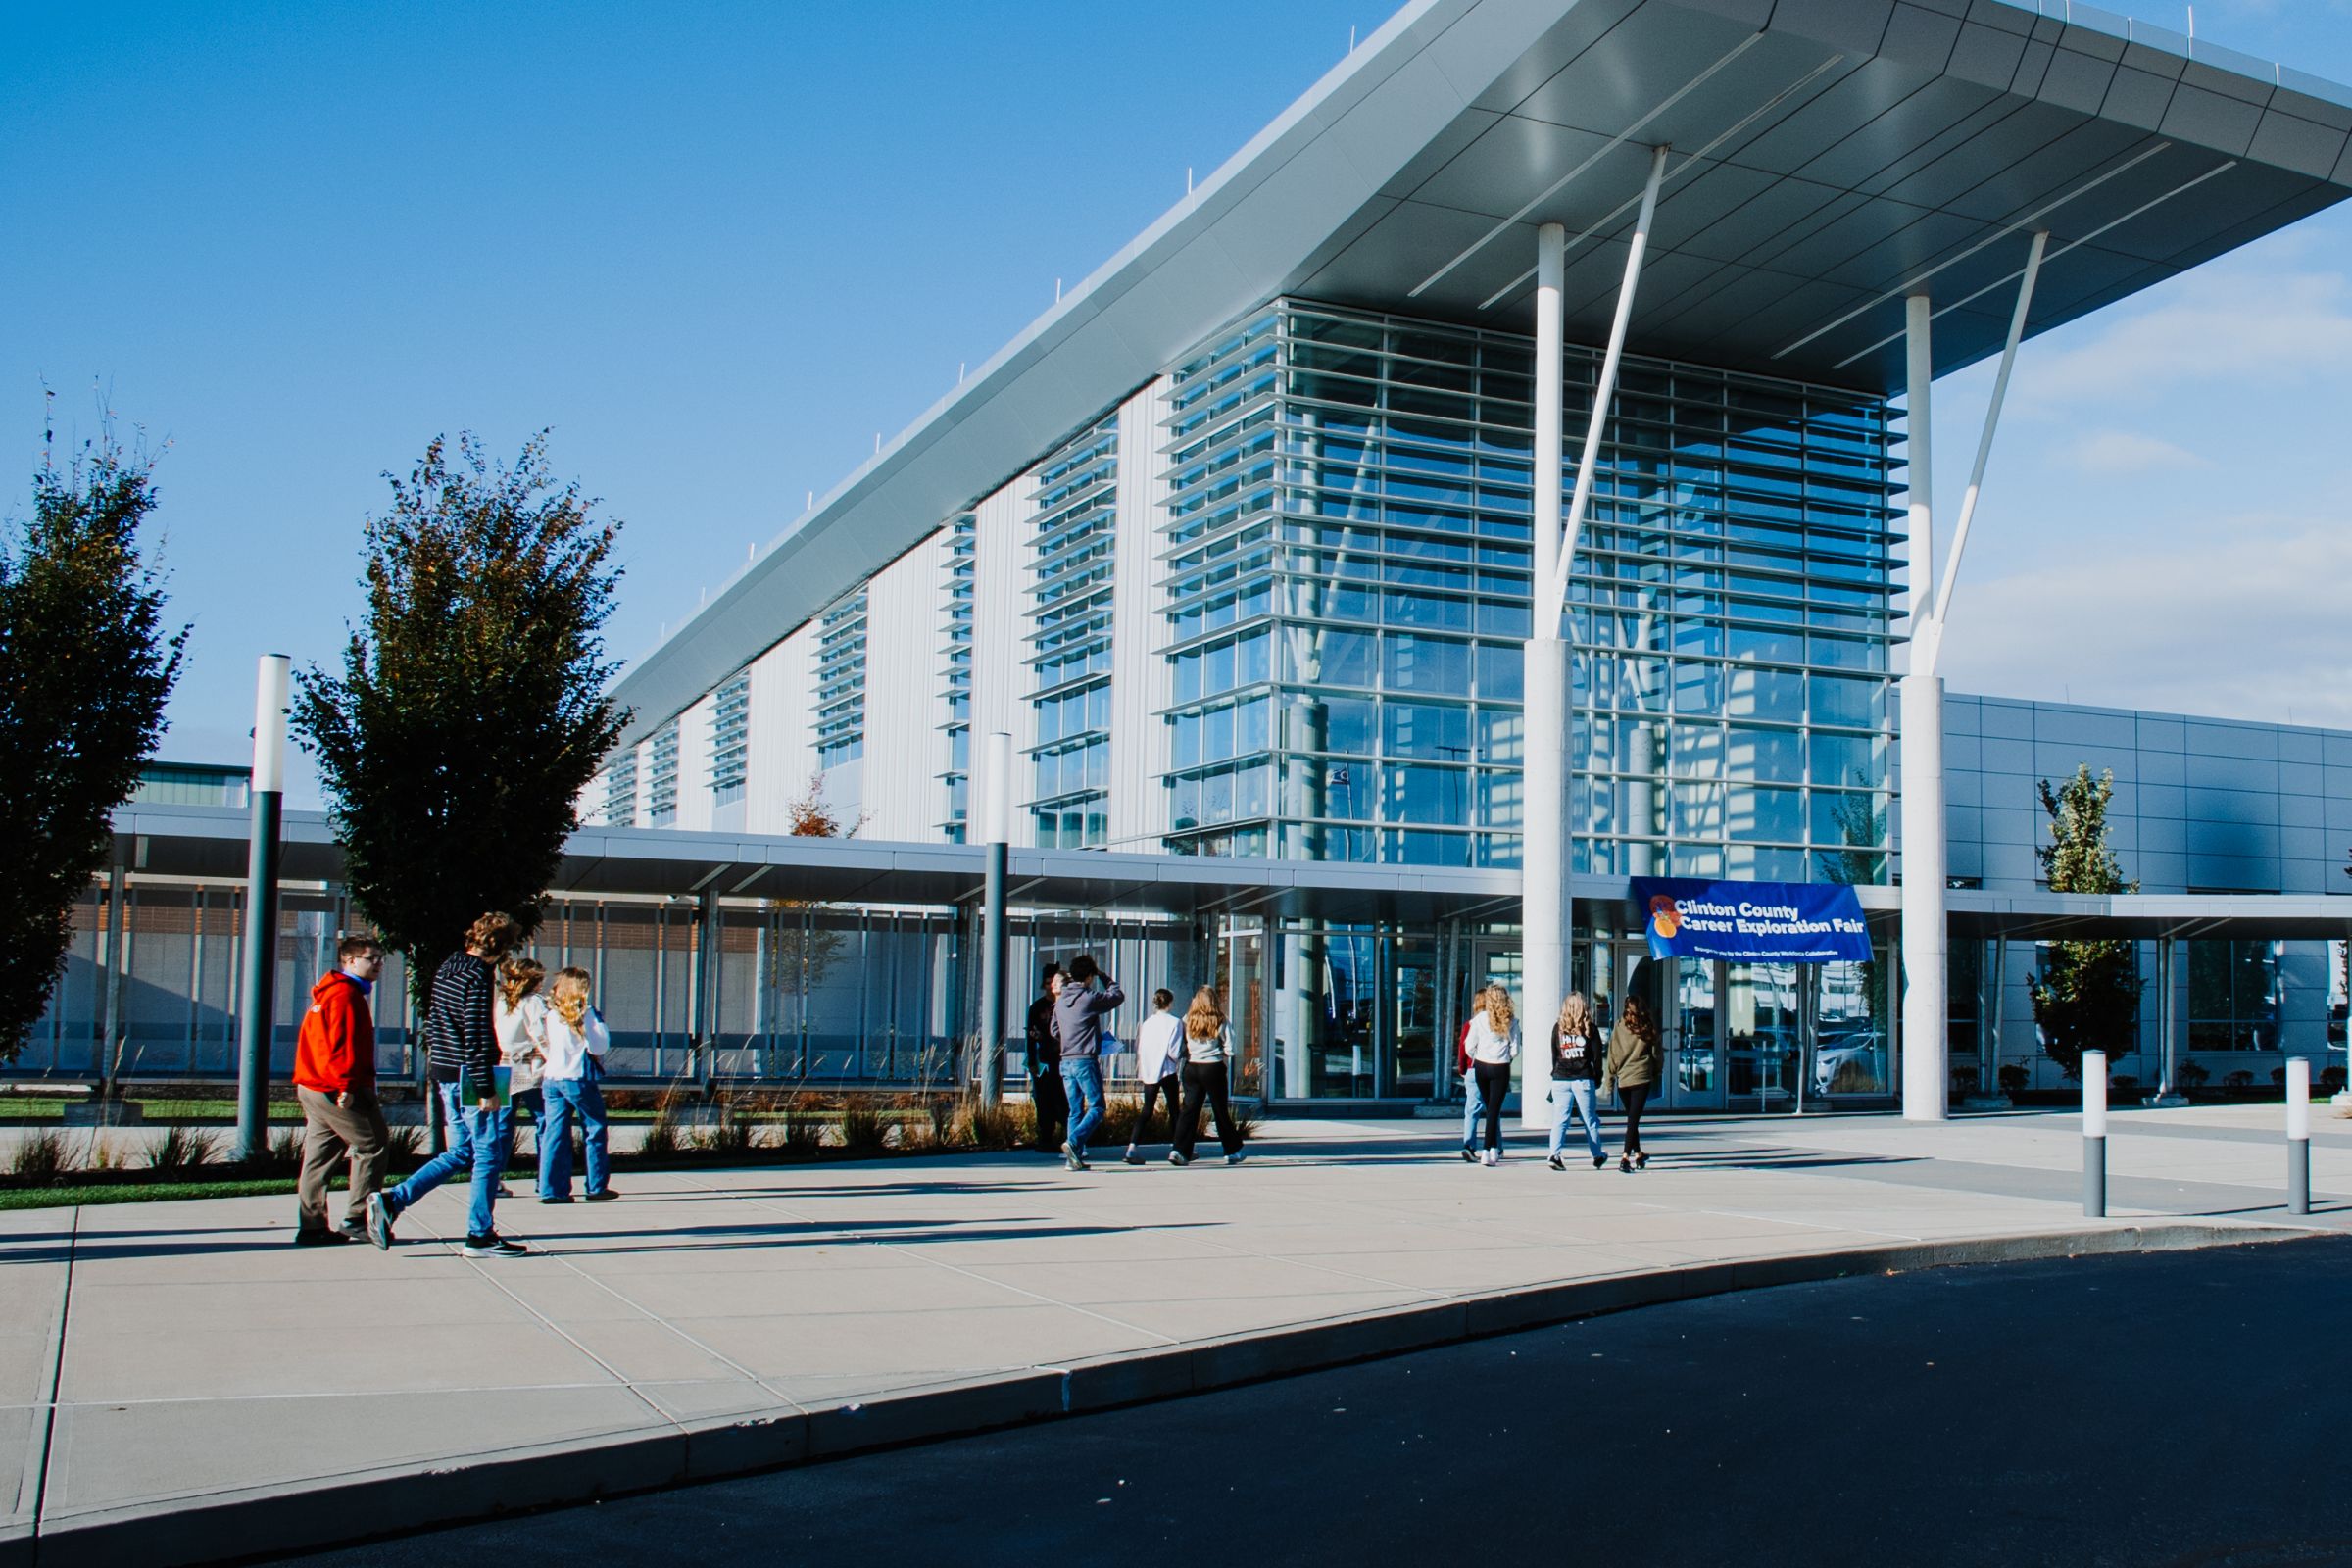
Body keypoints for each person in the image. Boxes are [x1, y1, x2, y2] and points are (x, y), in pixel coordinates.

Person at [367, 911, 529, 1257]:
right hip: (472, 1072)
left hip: (444, 1069)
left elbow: (441, 1023)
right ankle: (480, 1234)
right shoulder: (477, 975)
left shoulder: (448, 967)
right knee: (488, 1152)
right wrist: (486, 1088)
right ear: (499, 947)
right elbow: (475, 1032)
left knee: (460, 1151)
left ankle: (393, 1200)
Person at [290, 934, 391, 1245]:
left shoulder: (328, 994)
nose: (377, 964)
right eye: (370, 958)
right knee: (373, 1145)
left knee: (319, 1158)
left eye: (379, 958)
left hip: (314, 1085)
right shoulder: (346, 996)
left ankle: (312, 1225)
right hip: (336, 1087)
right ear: (349, 961)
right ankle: (357, 1218)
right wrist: (346, 1086)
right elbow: (340, 1046)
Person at [537, 966, 613, 1203]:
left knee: (554, 1133)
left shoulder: (551, 1014)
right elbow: (599, 1046)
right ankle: (596, 1185)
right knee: (594, 1128)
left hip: (552, 1078)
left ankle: (552, 1189)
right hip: (578, 1077)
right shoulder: (586, 1013)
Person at [1052, 953, 1124, 1170]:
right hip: (1085, 1059)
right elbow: (1117, 996)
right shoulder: (1089, 998)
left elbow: (1054, 1030)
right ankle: (1074, 1143)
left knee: (1075, 1110)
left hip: (1066, 1060)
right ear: (1090, 976)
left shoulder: (1061, 1001)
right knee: (1097, 1106)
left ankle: (1073, 1159)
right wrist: (1105, 976)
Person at [1169, 987, 1245, 1166]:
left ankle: (1179, 1150)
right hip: (1213, 1067)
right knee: (1220, 1111)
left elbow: (1180, 1045)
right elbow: (1231, 1049)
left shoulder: (1187, 1020)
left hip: (1192, 1067)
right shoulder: (1221, 1020)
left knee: (1189, 1110)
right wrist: (1221, 1052)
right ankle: (1231, 1150)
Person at [494, 957, 549, 1195]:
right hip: (530, 1064)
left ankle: (493, 1178)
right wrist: (553, 1058)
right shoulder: (534, 1002)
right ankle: (546, 1178)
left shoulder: (502, 1001)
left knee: (501, 1125)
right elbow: (540, 1034)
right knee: (545, 1121)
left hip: (503, 1063)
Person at [1545, 991, 1607, 1171]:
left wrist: (1556, 1074)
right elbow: (1597, 1058)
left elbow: (1555, 1055)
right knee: (1589, 1119)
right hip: (1583, 1078)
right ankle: (1597, 1154)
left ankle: (1554, 1154)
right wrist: (1598, 1077)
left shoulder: (1558, 1028)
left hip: (1561, 1078)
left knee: (1560, 1119)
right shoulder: (1590, 1029)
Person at [1604, 992, 1664, 1173]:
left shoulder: (1618, 1027)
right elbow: (1657, 1054)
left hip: (1624, 1079)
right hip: (1641, 1077)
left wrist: (1610, 1080)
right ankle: (1625, 1157)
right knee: (1633, 1120)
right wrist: (1656, 1071)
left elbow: (1612, 1055)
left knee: (1632, 1118)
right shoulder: (1648, 1027)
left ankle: (1638, 1153)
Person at [1124, 988, 1183, 1165]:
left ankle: (1132, 1146)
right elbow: (1174, 1051)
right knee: (1174, 1110)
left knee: (1147, 1110)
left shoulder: (1148, 1023)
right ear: (1170, 1003)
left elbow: (1141, 1047)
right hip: (1167, 1069)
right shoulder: (1175, 1022)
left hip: (1150, 1070)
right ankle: (1179, 1147)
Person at [1464, 983, 1520, 1166]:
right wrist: (1505, 1056)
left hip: (1481, 1066)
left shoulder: (1479, 1019)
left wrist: (1478, 1056)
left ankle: (1493, 1149)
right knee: (1493, 1110)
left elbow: (1469, 1045)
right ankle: (1488, 1150)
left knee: (1489, 1108)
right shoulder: (1511, 1021)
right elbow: (1515, 1050)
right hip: (1500, 1067)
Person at [1025, 964, 1069, 1153]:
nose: (1050, 987)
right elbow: (1030, 1035)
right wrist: (1032, 1062)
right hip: (1044, 1058)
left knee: (1064, 1099)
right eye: (1047, 983)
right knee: (1043, 1100)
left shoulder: (1066, 1005)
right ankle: (1045, 1137)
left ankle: (1068, 1137)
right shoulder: (1038, 1007)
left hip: (1063, 1058)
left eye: (1053, 982)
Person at [1456, 1013, 1482, 1163]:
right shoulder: (1498, 1023)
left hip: (1473, 1068)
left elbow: (1465, 1048)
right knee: (1493, 1109)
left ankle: (1469, 1144)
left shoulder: (1471, 1024)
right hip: (1492, 1067)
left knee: (1471, 1109)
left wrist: (1463, 1069)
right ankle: (1496, 1146)